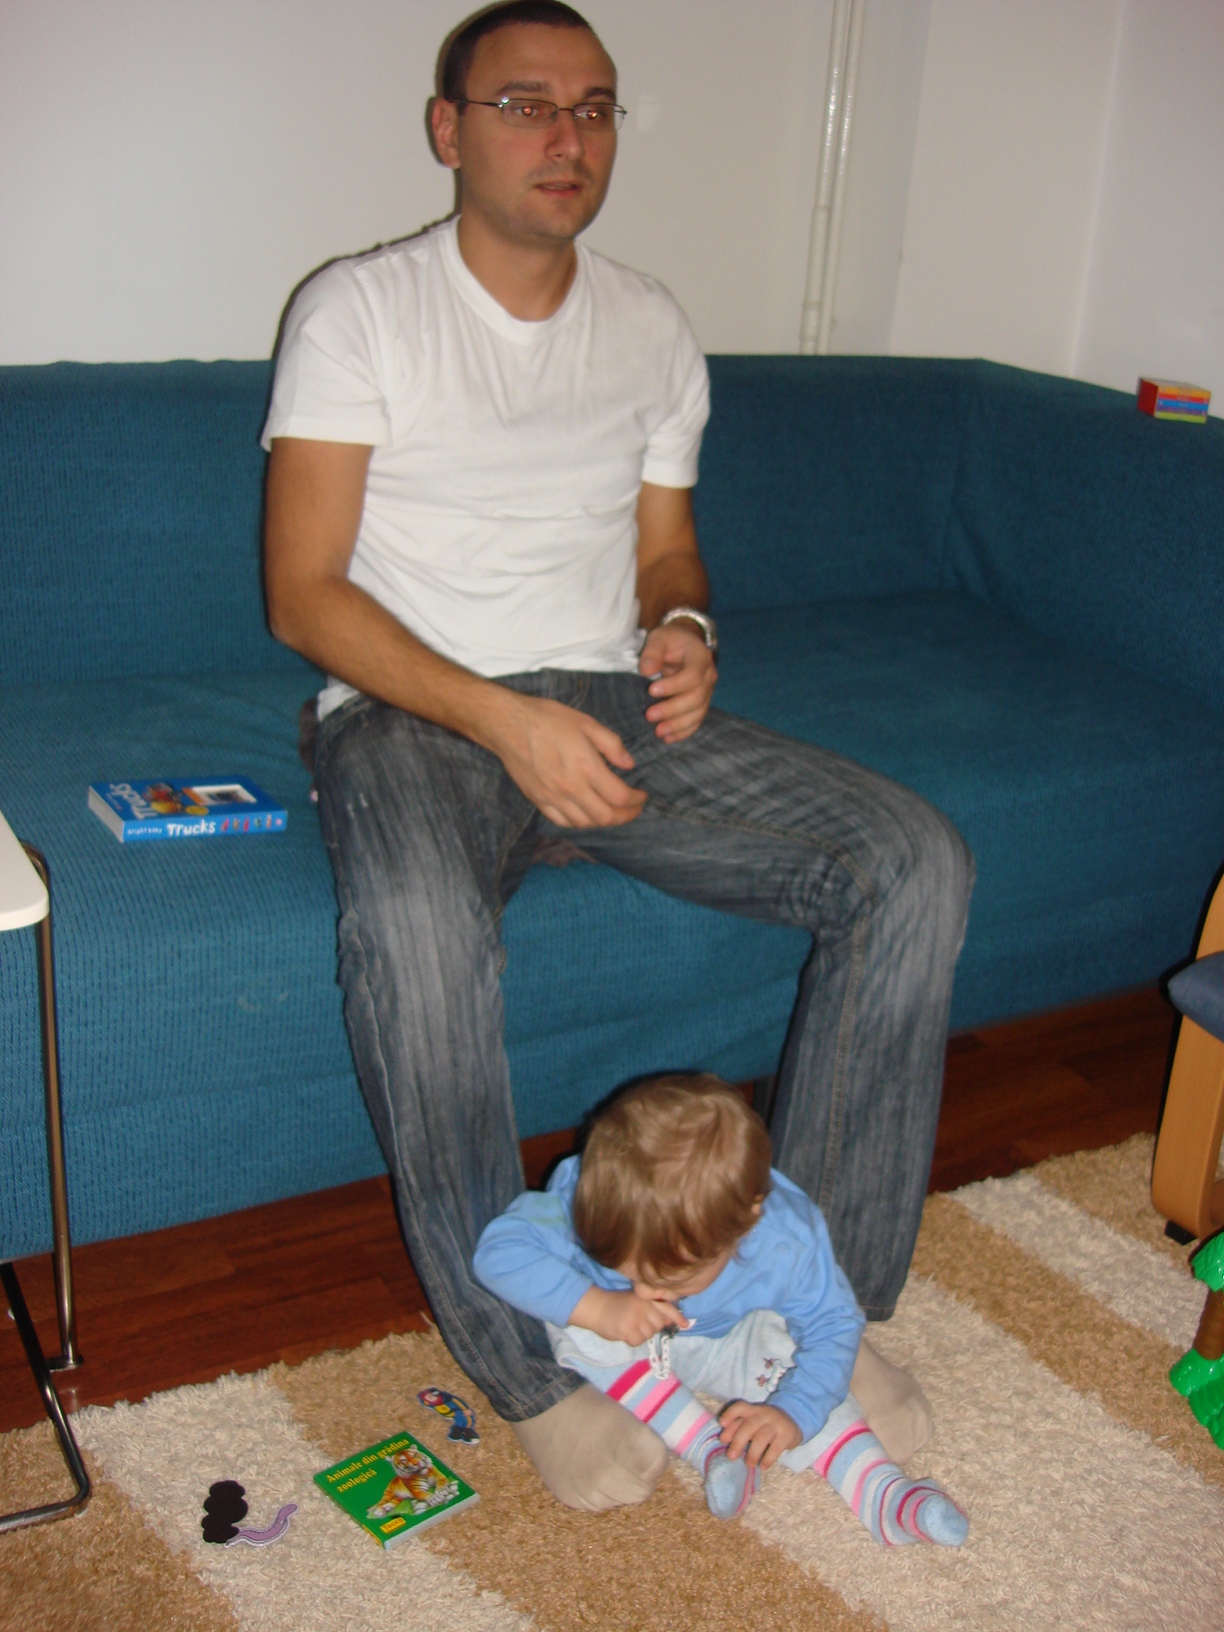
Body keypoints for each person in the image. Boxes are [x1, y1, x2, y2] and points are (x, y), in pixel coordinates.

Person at [261, 0, 974, 1513]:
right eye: (523, 103)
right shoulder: (359, 310)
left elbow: (665, 550)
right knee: (418, 934)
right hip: (410, 715)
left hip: (607, 705)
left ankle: (815, 1321)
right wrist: (499, 716)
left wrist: (684, 626)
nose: (565, 135)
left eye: (592, 106)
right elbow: (304, 595)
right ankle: (533, 1369)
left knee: (910, 860)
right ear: (449, 129)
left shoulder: (650, 323)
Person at [475, 1074, 968, 1544]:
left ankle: (884, 1492)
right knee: (574, 1325)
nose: (645, 1290)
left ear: (748, 1220)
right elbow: (496, 1252)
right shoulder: (584, 1195)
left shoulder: (785, 1240)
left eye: (671, 1278)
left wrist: (792, 1414)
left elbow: (833, 1325)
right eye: (625, 1271)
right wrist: (601, 1306)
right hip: (630, 1348)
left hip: (734, 1338)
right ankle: (709, 1445)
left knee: (800, 1364)